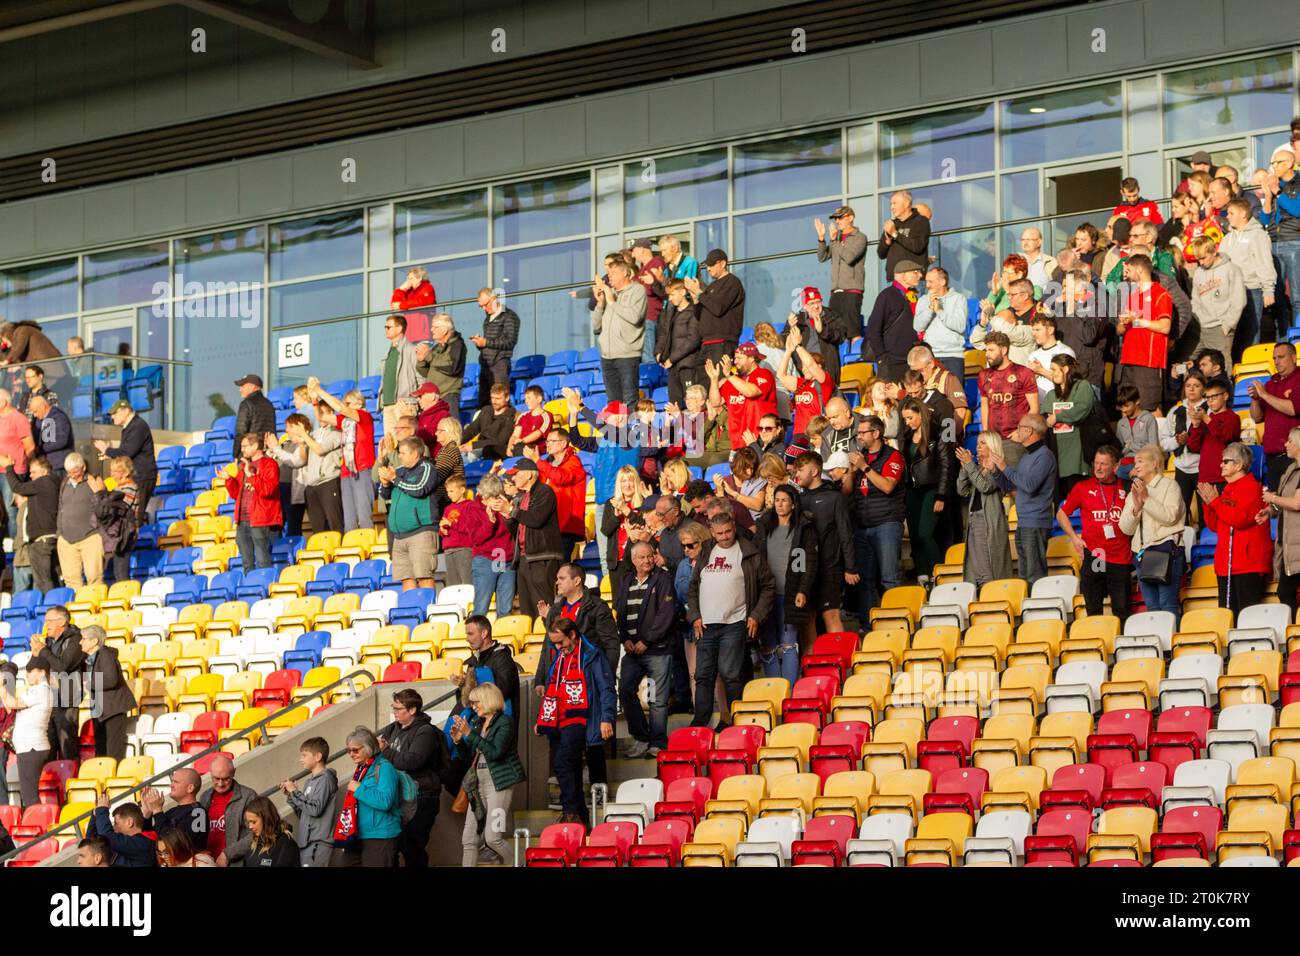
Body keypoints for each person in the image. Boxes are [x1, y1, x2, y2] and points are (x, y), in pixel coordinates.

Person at [687, 510, 775, 729]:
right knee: (703, 675)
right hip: (706, 624)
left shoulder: (749, 552)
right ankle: (700, 723)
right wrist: (695, 615)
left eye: (728, 531)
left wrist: (756, 615)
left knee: (730, 673)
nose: (724, 537)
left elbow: (768, 586)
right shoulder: (706, 551)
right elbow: (693, 586)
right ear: (712, 533)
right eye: (719, 533)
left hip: (735, 623)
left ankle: (735, 721)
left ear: (734, 527)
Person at [535, 617, 616, 825]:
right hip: (557, 722)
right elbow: (553, 689)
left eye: (560, 642)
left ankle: (570, 811)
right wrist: (543, 718)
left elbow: (606, 688)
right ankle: (581, 817)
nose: (557, 647)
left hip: (579, 719)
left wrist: (606, 718)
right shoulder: (558, 656)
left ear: (572, 635)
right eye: (553, 643)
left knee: (562, 764)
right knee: (570, 770)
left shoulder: (592, 655)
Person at [451, 682, 525, 867]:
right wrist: (460, 741)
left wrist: (470, 734)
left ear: (488, 700)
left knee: (493, 838)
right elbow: (467, 758)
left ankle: (520, 863)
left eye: (476, 702)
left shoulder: (504, 722)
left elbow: (495, 753)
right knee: (468, 840)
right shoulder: (477, 723)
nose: (473, 706)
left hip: (499, 783)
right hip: (478, 783)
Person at [614, 541, 677, 757]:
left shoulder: (663, 579)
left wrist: (647, 641)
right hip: (632, 651)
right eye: (642, 557)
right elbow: (620, 612)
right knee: (625, 690)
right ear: (633, 560)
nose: (647, 560)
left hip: (657, 649)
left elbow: (665, 615)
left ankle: (658, 742)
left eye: (650, 556)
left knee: (658, 699)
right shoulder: (625, 581)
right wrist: (625, 639)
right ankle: (641, 738)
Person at [1057, 446, 1132, 620]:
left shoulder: (1126, 487)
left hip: (1120, 556)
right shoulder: (1082, 487)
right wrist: (1074, 538)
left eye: (1103, 464)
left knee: (1121, 610)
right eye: (1096, 463)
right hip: (1096, 555)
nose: (1098, 468)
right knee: (1093, 607)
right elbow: (1061, 514)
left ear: (1115, 467)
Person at [1199, 442, 1272, 614]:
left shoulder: (1252, 488)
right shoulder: (1227, 490)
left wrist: (1215, 502)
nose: (1221, 465)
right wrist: (1208, 504)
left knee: (1247, 617)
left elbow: (1240, 519)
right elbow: (1215, 525)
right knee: (1227, 617)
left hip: (1248, 564)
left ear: (1238, 465)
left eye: (1225, 461)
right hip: (1227, 564)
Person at [755, 484, 818, 683]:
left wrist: (803, 590)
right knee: (768, 642)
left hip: (789, 592)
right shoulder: (765, 525)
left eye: (784, 500)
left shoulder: (803, 528)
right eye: (777, 500)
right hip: (766, 594)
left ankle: (789, 689)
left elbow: (807, 563)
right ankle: (774, 687)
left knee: (789, 642)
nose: (779, 504)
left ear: (793, 503)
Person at [377, 688, 446, 868]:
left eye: (399, 709)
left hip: (421, 795)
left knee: (413, 848)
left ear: (412, 710)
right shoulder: (392, 729)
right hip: (398, 795)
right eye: (394, 708)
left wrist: (386, 751)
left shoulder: (425, 731)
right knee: (392, 847)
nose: (395, 712)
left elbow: (413, 761)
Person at [1119, 444, 1187, 624]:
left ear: (1155, 463)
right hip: (1142, 554)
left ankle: (1171, 648)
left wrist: (1147, 500)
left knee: (1167, 604)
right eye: (1135, 462)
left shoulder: (1170, 486)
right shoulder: (1134, 489)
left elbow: (1170, 517)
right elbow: (1125, 528)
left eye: (1140, 461)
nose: (1136, 466)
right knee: (1151, 606)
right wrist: (1136, 508)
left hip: (1165, 552)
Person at [793, 449, 856, 633]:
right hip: (804, 570)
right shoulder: (798, 499)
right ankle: (811, 662)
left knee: (831, 615)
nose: (796, 474)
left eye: (800, 470)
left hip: (829, 567)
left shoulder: (834, 497)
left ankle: (840, 661)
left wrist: (850, 567)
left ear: (814, 471)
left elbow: (846, 533)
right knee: (808, 619)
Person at [990, 414, 1056, 586]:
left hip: (1035, 521)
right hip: (1025, 521)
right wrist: (996, 471)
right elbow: (1012, 486)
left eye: (1019, 427)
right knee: (1025, 575)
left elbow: (1029, 485)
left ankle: (1041, 608)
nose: (1016, 431)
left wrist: (1005, 467)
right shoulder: (1027, 456)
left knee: (1035, 575)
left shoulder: (1045, 456)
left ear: (1029, 431)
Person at [899, 396, 954, 585]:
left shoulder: (938, 433)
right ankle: (922, 573)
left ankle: (938, 573)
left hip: (932, 489)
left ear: (920, 415)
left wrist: (941, 495)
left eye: (910, 418)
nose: (907, 422)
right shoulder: (907, 437)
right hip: (912, 491)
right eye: (905, 419)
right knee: (914, 535)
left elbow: (947, 465)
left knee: (925, 533)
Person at [330, 726, 402, 867]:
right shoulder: (362, 769)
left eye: (355, 750)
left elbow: (385, 802)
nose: (351, 754)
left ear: (368, 747)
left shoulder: (385, 767)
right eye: (348, 750)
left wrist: (359, 789)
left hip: (379, 835)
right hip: (358, 834)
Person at [312, 381, 377, 533]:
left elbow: (340, 409)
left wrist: (320, 391)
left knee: (364, 515)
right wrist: (315, 401)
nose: (344, 406)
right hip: (346, 471)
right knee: (349, 519)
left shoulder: (364, 416)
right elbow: (322, 417)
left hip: (362, 469)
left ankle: (368, 551)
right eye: (345, 403)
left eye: (348, 403)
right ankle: (352, 552)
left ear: (359, 403)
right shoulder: (345, 421)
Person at [377, 437, 439, 591]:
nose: (400, 457)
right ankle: (411, 612)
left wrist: (394, 479)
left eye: (403, 453)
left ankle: (427, 609)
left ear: (415, 453)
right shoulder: (399, 471)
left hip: (421, 533)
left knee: (424, 576)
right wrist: (385, 483)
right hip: (399, 536)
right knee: (406, 579)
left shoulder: (427, 468)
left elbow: (419, 489)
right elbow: (385, 495)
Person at [1115, 254, 1175, 412]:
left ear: (1140, 269)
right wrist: (1123, 323)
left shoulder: (1161, 294)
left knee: (1151, 408)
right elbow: (1120, 331)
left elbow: (1165, 326)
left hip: (1148, 361)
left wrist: (1138, 320)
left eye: (1129, 269)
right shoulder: (1133, 296)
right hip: (1128, 360)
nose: (1126, 273)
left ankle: (1156, 437)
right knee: (1126, 407)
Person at [506, 458, 564, 618]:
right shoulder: (522, 496)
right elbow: (516, 529)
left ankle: (551, 641)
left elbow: (536, 519)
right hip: (525, 558)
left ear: (529, 475)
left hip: (542, 557)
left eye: (516, 474)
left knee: (545, 607)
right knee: (527, 610)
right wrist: (507, 515)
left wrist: (512, 510)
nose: (513, 478)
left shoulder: (545, 492)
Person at [954, 432, 1014, 588]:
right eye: (978, 443)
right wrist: (964, 467)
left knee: (988, 565)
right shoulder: (979, 467)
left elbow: (985, 487)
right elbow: (962, 490)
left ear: (992, 445)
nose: (978, 446)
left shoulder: (999, 465)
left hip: (988, 521)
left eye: (982, 443)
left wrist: (969, 465)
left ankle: (992, 595)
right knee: (975, 564)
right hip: (974, 518)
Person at [31, 606, 84, 761]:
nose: (46, 624)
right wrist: (35, 653)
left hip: (66, 700)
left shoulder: (75, 639)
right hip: (49, 700)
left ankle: (70, 783)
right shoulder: (48, 641)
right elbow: (34, 669)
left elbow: (62, 666)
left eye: (49, 621)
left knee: (67, 747)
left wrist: (43, 651)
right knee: (49, 748)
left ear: (62, 622)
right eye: (45, 621)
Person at [592, 258, 647, 405]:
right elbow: (596, 326)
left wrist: (612, 302)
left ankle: (630, 428)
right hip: (607, 357)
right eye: (608, 273)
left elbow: (634, 317)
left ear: (625, 273)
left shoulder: (637, 291)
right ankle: (618, 429)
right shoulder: (611, 295)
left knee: (629, 401)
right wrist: (600, 304)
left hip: (627, 356)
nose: (609, 276)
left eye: (613, 273)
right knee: (614, 404)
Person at [225, 432, 282, 572]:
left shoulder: (270, 464)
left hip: (260, 519)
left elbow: (268, 490)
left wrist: (251, 476)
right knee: (246, 563)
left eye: (245, 446)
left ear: (255, 445)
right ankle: (250, 591)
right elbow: (235, 494)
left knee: (262, 560)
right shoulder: (245, 467)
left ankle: (265, 587)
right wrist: (228, 479)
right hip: (242, 520)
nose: (242, 450)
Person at [0, 657, 53, 807]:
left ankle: (39, 827)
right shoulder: (37, 691)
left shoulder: (40, 690)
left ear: (42, 673)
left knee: (29, 795)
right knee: (28, 793)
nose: (27, 675)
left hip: (32, 747)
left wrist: (2, 688)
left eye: (30, 671)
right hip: (29, 747)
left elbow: (13, 703)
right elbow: (12, 709)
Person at [280, 736, 339, 867]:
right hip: (307, 843)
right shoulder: (309, 781)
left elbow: (315, 809)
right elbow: (304, 814)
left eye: (304, 755)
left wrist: (295, 792)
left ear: (318, 756)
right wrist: (291, 796)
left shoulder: (326, 779)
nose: (300, 759)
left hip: (318, 843)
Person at [78, 625, 135, 759]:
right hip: (101, 711)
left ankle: (113, 778)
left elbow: (111, 679)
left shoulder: (105, 655)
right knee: (101, 751)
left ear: (94, 641)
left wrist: (88, 684)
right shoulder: (90, 660)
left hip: (112, 710)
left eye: (84, 639)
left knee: (113, 751)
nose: (80, 642)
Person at [708, 342, 776, 454]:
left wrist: (729, 375)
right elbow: (715, 402)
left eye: (739, 358)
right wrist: (714, 380)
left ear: (752, 358)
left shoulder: (764, 374)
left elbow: (751, 392)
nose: (735, 362)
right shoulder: (733, 380)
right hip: (736, 443)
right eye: (735, 358)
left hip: (759, 441)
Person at [1249, 342, 1300, 489]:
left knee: (1293, 503)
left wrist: (1264, 394)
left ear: (1294, 357)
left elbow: (1292, 409)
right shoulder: (1271, 383)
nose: (1276, 361)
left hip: (1294, 455)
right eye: (1274, 358)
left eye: (1281, 357)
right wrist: (1255, 399)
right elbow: (1257, 417)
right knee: (1276, 505)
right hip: (1272, 455)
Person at [95, 397, 156, 521]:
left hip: (142, 476)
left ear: (125, 411)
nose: (112, 417)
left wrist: (106, 450)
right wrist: (110, 454)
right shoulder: (130, 427)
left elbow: (127, 453)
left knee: (135, 515)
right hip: (136, 476)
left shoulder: (138, 426)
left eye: (114, 413)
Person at [1044, 354, 1097, 495]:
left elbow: (1082, 409)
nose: (1052, 373)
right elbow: (1045, 418)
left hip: (1077, 457)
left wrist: (1058, 417)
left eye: (1055, 369)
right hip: (1057, 458)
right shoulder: (1050, 395)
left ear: (1065, 369)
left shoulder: (1082, 386)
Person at [1187, 236, 1246, 361]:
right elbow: (1195, 299)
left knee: (1222, 365)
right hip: (1200, 327)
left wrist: (1228, 325)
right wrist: (1198, 321)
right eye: (1198, 259)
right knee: (1189, 361)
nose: (1201, 262)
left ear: (1214, 251)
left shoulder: (1231, 269)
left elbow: (1239, 301)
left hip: (1220, 328)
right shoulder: (1199, 272)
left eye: (1203, 258)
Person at [532, 427, 588, 559]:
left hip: (565, 525)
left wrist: (538, 462)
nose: (548, 444)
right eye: (547, 441)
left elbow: (562, 478)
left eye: (552, 441)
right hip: (547, 525)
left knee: (560, 566)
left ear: (564, 443)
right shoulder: (547, 463)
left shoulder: (573, 461)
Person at [465, 474, 516, 617]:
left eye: (496, 496)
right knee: (481, 606)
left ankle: (503, 635)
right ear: (482, 495)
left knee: (505, 608)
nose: (493, 500)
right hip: (485, 559)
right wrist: (490, 522)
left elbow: (516, 531)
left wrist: (507, 513)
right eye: (489, 497)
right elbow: (476, 539)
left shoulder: (506, 505)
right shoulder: (472, 509)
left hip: (507, 559)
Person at [863, 258, 923, 381]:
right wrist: (882, 359)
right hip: (892, 363)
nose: (920, 275)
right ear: (902, 274)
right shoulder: (887, 295)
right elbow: (874, 330)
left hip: (912, 360)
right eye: (915, 272)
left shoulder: (914, 296)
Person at [816, 204, 869, 335]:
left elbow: (849, 257)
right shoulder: (836, 238)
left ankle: (855, 355)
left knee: (852, 331)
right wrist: (822, 239)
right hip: (836, 291)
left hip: (852, 290)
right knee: (836, 331)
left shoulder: (860, 237)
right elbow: (822, 257)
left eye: (840, 217)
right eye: (835, 218)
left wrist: (835, 241)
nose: (837, 221)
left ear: (850, 218)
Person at [1161, 371, 1207, 520]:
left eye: (1196, 385)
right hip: (1181, 468)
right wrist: (1177, 441)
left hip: (1202, 467)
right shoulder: (1175, 411)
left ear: (1203, 389)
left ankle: (1205, 540)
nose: (1191, 389)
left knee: (1205, 513)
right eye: (1188, 386)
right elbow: (1163, 442)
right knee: (1180, 513)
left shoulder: (1209, 409)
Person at [687, 249, 746, 362]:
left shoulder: (732, 282)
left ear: (723, 264)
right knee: (703, 380)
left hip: (722, 342)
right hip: (706, 342)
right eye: (707, 265)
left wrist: (699, 293)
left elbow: (718, 308)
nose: (708, 269)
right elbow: (700, 316)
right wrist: (695, 299)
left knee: (719, 379)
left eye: (712, 265)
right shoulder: (711, 287)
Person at [777, 323, 834, 441]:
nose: (804, 369)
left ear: (819, 366)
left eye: (806, 366)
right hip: (799, 433)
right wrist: (788, 351)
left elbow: (810, 364)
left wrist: (798, 345)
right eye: (802, 366)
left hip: (818, 432)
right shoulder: (801, 383)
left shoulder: (825, 381)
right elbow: (781, 376)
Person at [977, 331, 1038, 440]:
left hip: (1015, 438)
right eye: (986, 350)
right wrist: (986, 432)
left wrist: (1021, 431)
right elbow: (984, 405)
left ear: (1004, 350)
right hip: (993, 439)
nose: (986, 354)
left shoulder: (1024, 372)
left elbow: (1034, 408)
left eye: (991, 350)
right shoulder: (983, 375)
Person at [55, 452, 103, 587]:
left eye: (75, 472)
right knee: (71, 581)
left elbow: (104, 506)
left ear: (83, 467)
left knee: (94, 577)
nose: (73, 475)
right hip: (66, 540)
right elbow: (61, 507)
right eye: (69, 472)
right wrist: (60, 533)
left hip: (90, 536)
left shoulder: (94, 480)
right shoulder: (65, 483)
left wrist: (99, 491)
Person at [913, 266, 969, 380]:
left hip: (953, 357)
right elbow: (918, 326)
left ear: (942, 282)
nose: (927, 285)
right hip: (931, 357)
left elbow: (960, 326)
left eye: (930, 282)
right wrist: (930, 308)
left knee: (953, 397)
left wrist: (939, 311)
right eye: (926, 281)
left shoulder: (959, 299)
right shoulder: (923, 300)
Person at [201, 755, 256, 866]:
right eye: (216, 778)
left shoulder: (248, 796)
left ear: (234, 772)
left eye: (226, 779)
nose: (220, 784)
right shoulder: (205, 797)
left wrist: (228, 854)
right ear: (210, 773)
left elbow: (257, 833)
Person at [1187, 377, 1240, 490]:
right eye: (1207, 397)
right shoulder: (1206, 419)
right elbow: (1194, 447)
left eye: (1214, 397)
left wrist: (1206, 419)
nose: (1210, 401)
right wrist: (1196, 425)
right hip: (1204, 478)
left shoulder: (1233, 417)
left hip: (1224, 477)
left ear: (1225, 396)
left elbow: (1227, 436)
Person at [471, 288, 520, 411]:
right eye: (480, 306)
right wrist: (480, 343)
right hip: (485, 364)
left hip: (500, 364)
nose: (483, 308)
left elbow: (510, 342)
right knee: (484, 402)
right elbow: (491, 343)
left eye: (485, 304)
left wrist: (486, 342)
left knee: (500, 399)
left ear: (494, 299)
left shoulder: (509, 316)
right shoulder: (487, 319)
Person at [656, 279, 703, 406]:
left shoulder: (693, 311)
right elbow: (663, 334)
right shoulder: (670, 313)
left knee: (692, 403)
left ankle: (694, 426)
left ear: (683, 292)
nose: (670, 299)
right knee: (674, 404)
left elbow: (693, 340)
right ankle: (677, 426)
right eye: (669, 295)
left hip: (687, 365)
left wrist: (672, 358)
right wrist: (659, 353)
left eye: (672, 294)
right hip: (673, 367)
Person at [0, 388, 35, 537]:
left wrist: (25, 467)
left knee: (11, 510)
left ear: (4, 402)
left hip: (12, 472)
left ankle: (16, 550)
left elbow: (30, 446)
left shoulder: (18, 418)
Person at [139, 767, 207, 843]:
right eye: (172, 782)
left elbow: (173, 844)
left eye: (176, 782)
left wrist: (157, 810)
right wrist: (147, 816)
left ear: (190, 788)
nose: (171, 785)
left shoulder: (199, 813)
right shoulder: (171, 811)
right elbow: (150, 842)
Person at [380, 314, 421, 433]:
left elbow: (420, 377)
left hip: (404, 404)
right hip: (387, 405)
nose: (385, 330)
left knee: (406, 441)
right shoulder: (387, 353)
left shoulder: (411, 349)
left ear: (399, 328)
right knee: (390, 444)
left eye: (388, 327)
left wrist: (414, 400)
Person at [84, 796, 155, 867]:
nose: (113, 828)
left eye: (116, 823)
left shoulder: (141, 843)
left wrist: (102, 810)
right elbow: (91, 843)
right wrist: (95, 815)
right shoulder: (121, 844)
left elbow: (106, 836)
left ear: (129, 822)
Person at [877, 190, 931, 282]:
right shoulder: (892, 224)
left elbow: (917, 246)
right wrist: (887, 242)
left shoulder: (921, 221)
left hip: (913, 280)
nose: (892, 207)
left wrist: (895, 234)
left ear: (906, 204)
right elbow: (881, 254)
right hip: (893, 280)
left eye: (894, 203)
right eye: (891, 204)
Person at [417, 314, 467, 412]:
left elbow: (452, 367)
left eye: (435, 327)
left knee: (449, 426)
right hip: (433, 398)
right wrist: (421, 360)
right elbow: (425, 373)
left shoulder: (457, 345)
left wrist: (428, 355)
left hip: (448, 396)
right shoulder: (436, 348)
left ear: (444, 330)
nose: (431, 330)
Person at [629, 238, 667, 362]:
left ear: (641, 249)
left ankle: (653, 381)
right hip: (643, 316)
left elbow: (652, 290)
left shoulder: (656, 263)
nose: (632, 254)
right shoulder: (642, 269)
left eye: (633, 250)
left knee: (649, 357)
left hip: (650, 316)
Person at [1024, 315, 1075, 404]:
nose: (1034, 334)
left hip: (1059, 405)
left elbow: (1067, 381)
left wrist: (1041, 370)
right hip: (1038, 407)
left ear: (1050, 330)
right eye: (1033, 330)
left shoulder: (1065, 351)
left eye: (1038, 330)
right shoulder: (1033, 355)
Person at [460, 383, 517, 463]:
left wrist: (474, 446)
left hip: (494, 452)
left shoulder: (511, 416)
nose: (494, 401)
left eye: (498, 398)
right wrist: (458, 440)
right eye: (492, 398)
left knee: (464, 460)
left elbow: (500, 441)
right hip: (478, 448)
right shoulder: (486, 410)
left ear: (507, 398)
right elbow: (472, 429)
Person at [1115, 383, 1159, 480]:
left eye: (1127, 406)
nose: (1123, 410)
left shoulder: (1149, 419)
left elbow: (1153, 448)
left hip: (1142, 464)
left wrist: (1138, 467)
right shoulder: (1121, 423)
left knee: (1137, 481)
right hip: (1123, 465)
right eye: (1121, 406)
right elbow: (1118, 449)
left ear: (1137, 401)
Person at [240, 796, 299, 867]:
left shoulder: (285, 844)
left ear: (266, 819)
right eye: (249, 822)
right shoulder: (253, 846)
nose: (250, 827)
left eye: (253, 822)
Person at [231, 373, 276, 460]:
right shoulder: (269, 404)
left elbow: (241, 431)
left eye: (242, 386)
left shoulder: (246, 404)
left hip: (249, 454)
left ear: (252, 386)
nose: (240, 389)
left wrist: (236, 455)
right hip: (267, 453)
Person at [28, 394, 73, 476]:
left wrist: (40, 448)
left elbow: (61, 441)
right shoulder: (39, 420)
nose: (34, 415)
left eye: (35, 411)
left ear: (43, 407)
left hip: (58, 464)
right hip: (46, 464)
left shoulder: (59, 417)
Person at [505, 384, 552, 457]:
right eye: (525, 399)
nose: (526, 401)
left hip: (536, 448)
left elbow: (539, 433)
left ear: (539, 399)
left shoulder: (546, 416)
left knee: (519, 448)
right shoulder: (523, 416)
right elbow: (515, 435)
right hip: (520, 445)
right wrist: (509, 447)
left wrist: (523, 441)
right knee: (490, 449)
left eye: (529, 398)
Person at [390, 266, 437, 338]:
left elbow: (424, 302)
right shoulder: (408, 291)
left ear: (419, 278)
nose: (408, 281)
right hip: (409, 333)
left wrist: (401, 305)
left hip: (423, 332)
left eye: (411, 278)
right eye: (407, 279)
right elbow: (394, 305)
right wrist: (401, 290)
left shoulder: (427, 287)